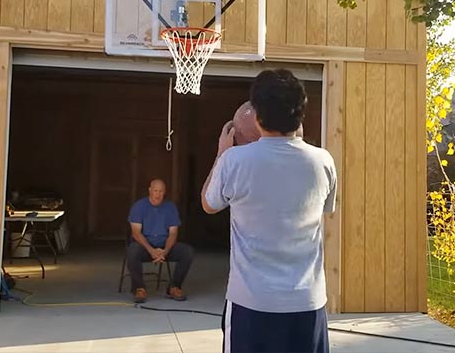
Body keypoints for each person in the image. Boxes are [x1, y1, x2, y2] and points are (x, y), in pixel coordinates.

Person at [202, 69, 337, 353]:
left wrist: (221, 153)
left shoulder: (234, 160)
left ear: (259, 115)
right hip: (307, 302)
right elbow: (326, 209)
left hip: (251, 302)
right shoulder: (323, 161)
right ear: (301, 115)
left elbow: (209, 203)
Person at [127, 179, 194, 303]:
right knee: (132, 251)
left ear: (165, 192)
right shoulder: (139, 206)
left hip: (164, 246)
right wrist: (151, 250)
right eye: (155, 191)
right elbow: (136, 233)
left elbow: (173, 233)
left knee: (187, 252)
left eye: (161, 191)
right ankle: (139, 288)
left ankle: (174, 287)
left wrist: (165, 251)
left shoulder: (170, 207)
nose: (158, 194)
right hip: (145, 246)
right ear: (150, 191)